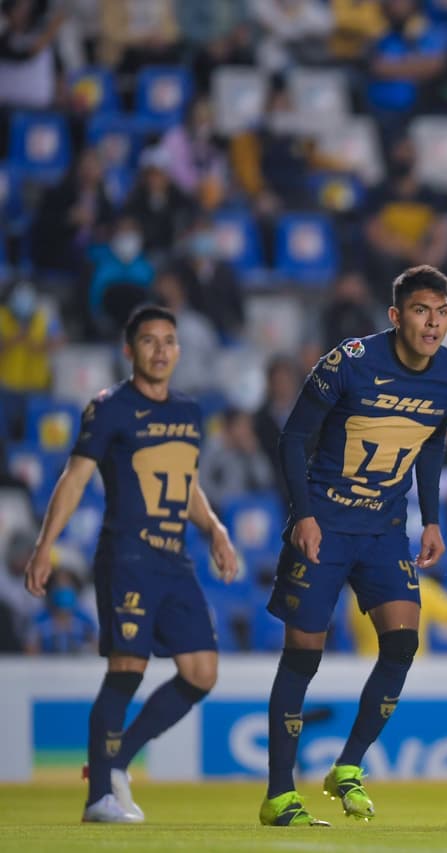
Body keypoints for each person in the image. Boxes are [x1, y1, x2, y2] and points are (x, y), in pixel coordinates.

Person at [259, 265, 447, 827]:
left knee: (402, 643)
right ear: (396, 316)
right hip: (325, 524)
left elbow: (432, 442)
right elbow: (294, 436)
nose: (433, 323)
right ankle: (280, 794)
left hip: (384, 529)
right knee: (304, 653)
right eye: (422, 311)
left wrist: (431, 519)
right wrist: (302, 514)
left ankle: (347, 766)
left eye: (442, 312)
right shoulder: (349, 362)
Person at [24, 304, 239, 823]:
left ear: (179, 350)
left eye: (169, 340)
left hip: (176, 559)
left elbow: (184, 482)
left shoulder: (188, 412)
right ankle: (99, 795)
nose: (161, 350)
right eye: (150, 341)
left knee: (201, 672)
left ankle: (117, 760)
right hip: (128, 556)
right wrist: (44, 545)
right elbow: (75, 477)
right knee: (127, 670)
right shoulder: (110, 407)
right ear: (130, 350)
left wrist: (215, 528)